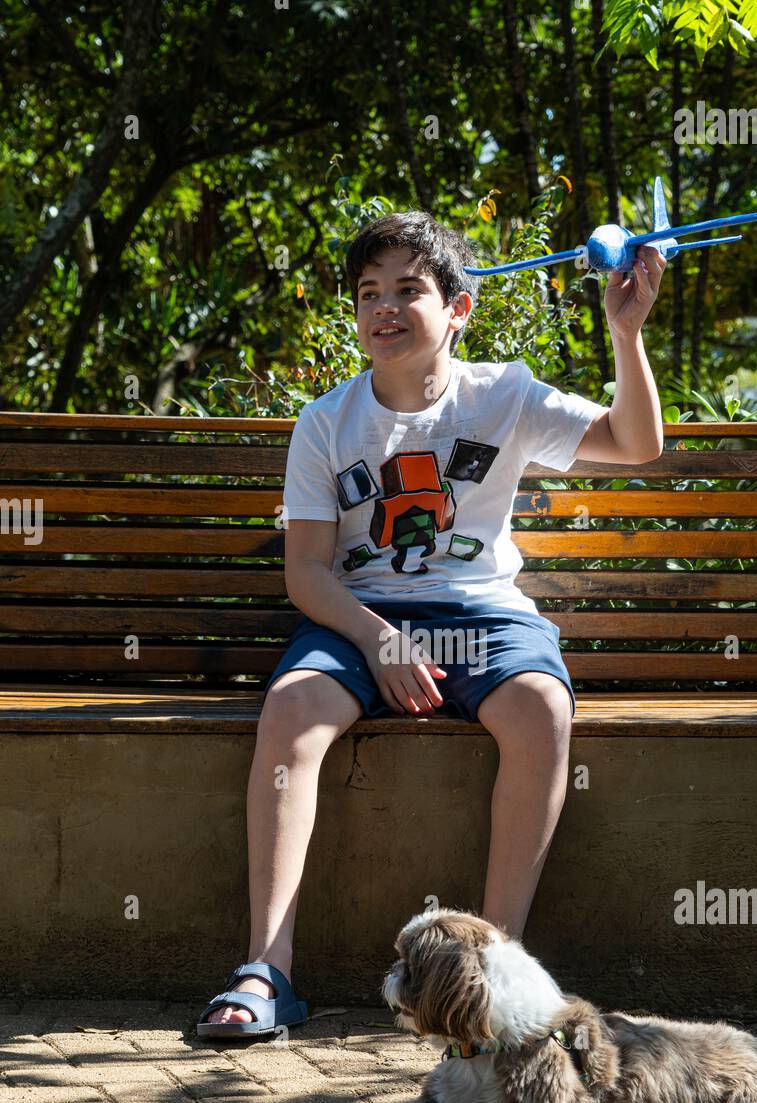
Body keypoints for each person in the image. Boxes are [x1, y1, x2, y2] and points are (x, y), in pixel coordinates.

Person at [198, 210, 665, 1036]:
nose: (383, 308)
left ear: (458, 309)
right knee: (291, 709)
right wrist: (380, 638)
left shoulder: (506, 396)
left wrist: (625, 335)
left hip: (483, 614)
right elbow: (306, 571)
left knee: (542, 710)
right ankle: (266, 971)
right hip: (358, 617)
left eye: (407, 289)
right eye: (368, 292)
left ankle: (495, 975)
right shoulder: (325, 424)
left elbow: (635, 444)